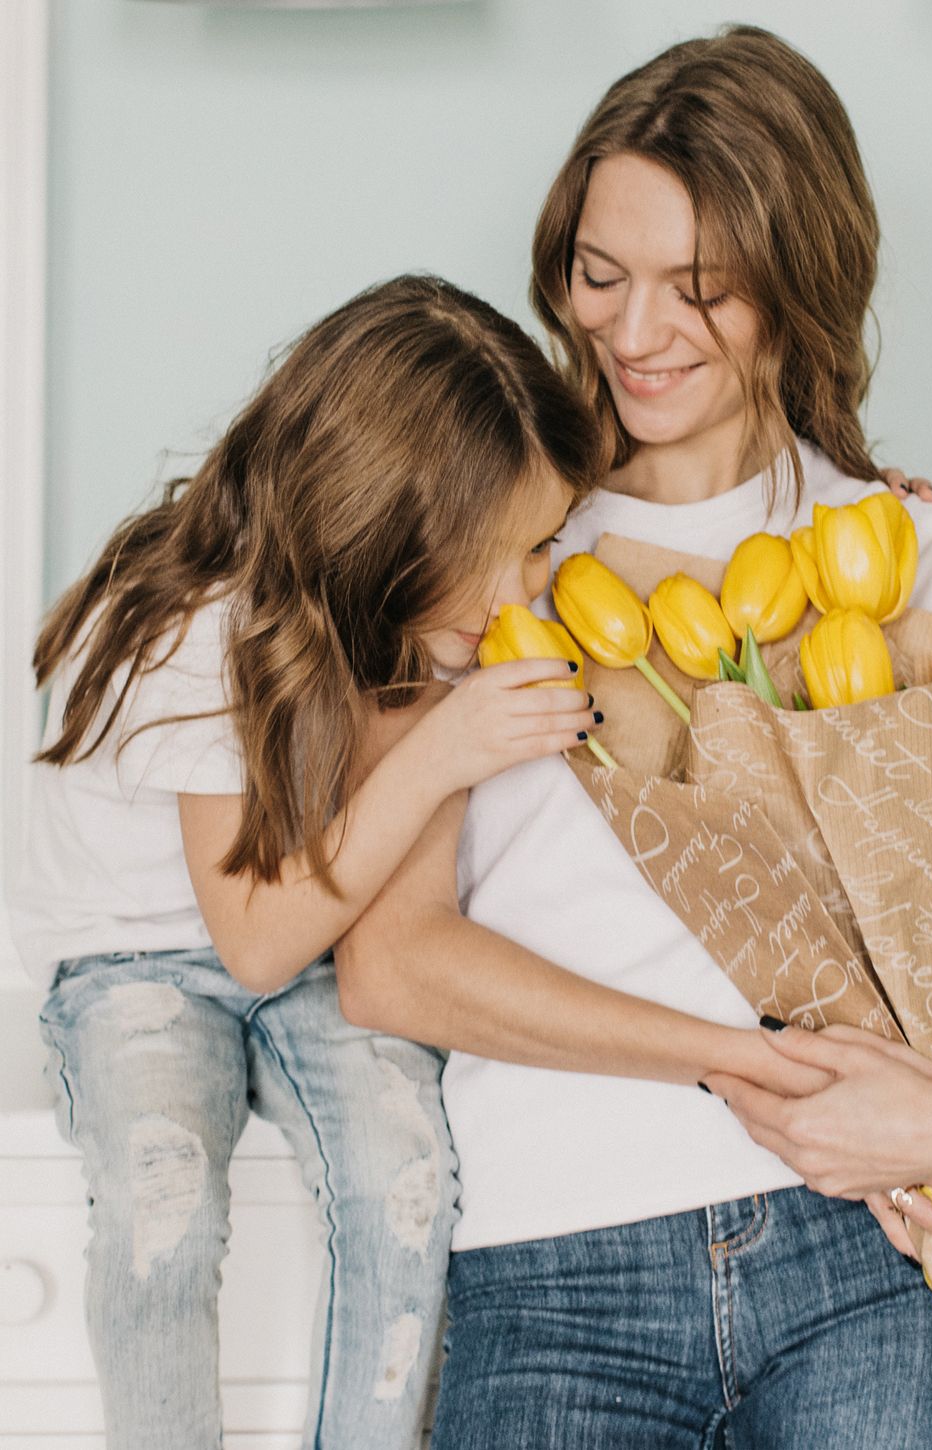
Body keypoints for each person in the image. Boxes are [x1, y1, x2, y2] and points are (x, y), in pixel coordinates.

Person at [336, 28, 932, 1450]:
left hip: (871, 1266)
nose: (634, 330)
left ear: (801, 286)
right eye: (599, 275)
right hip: (553, 1267)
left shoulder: (924, 555)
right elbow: (394, 959)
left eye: (701, 290)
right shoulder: (491, 549)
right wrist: (735, 1060)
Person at [15, 274, 607, 1450]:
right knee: (161, 1201)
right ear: (379, 528)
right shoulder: (190, 623)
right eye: (505, 554)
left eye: (540, 545)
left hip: (315, 944)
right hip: (145, 958)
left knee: (405, 1178)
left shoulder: (410, 608)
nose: (527, 587)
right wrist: (442, 748)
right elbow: (252, 936)